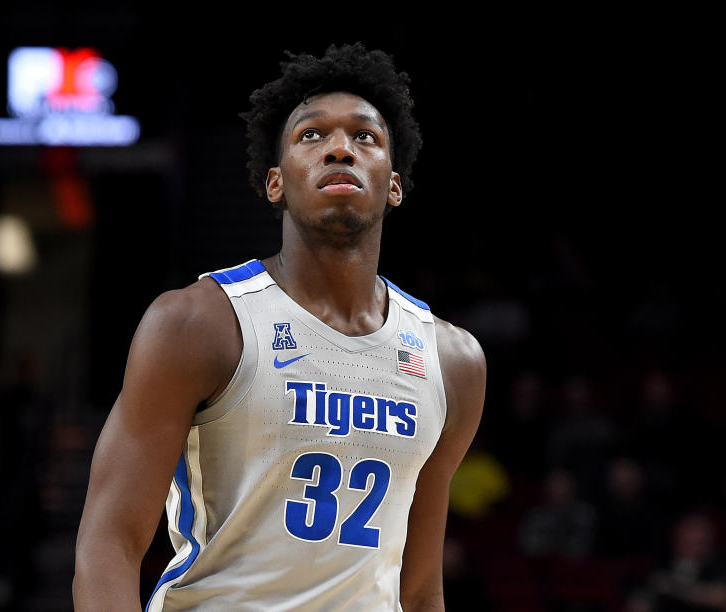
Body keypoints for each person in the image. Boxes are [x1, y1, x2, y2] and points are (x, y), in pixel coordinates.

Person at [73, 42, 487, 611]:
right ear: (275, 183)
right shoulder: (198, 324)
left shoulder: (453, 361)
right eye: (311, 135)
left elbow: (418, 591)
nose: (339, 149)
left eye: (365, 137)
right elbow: (108, 543)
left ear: (394, 184)